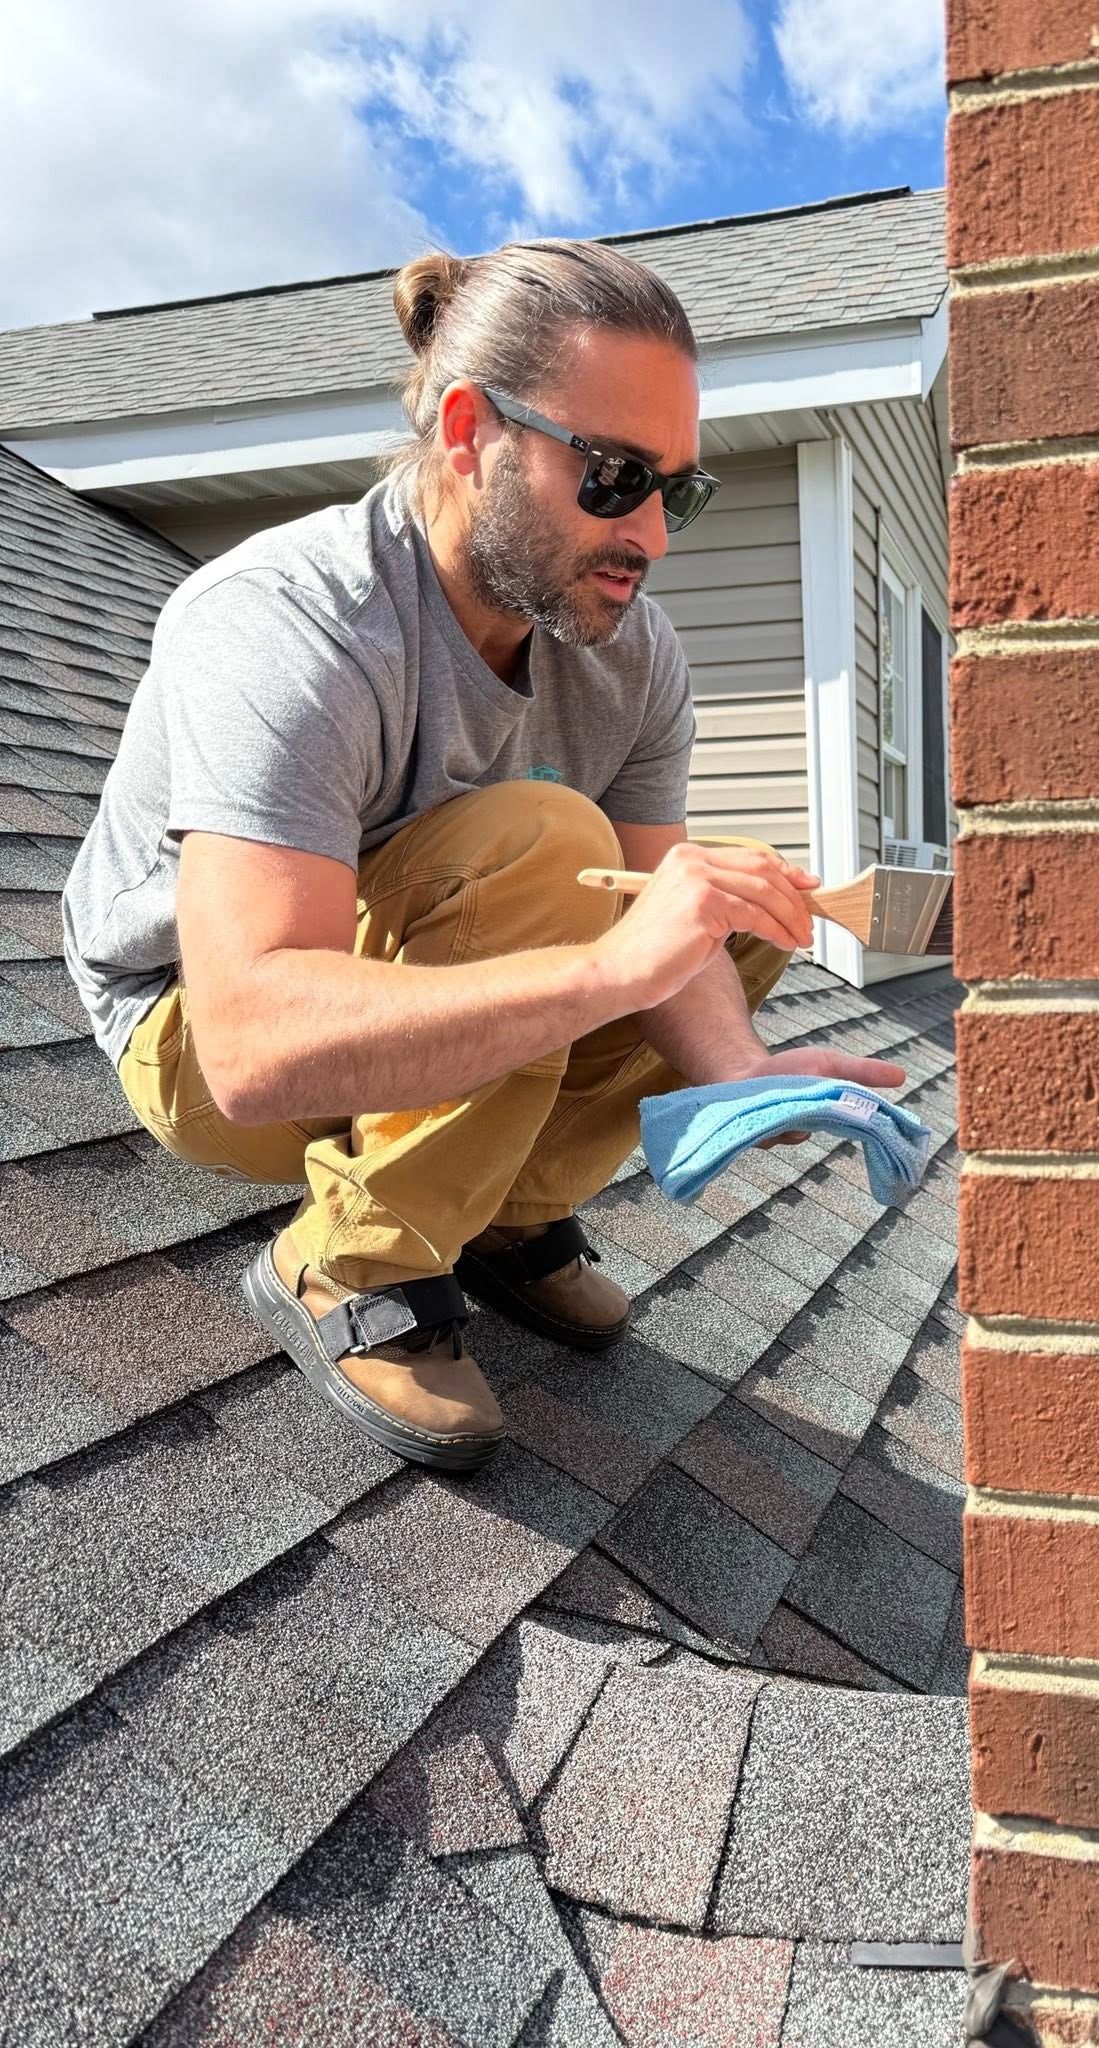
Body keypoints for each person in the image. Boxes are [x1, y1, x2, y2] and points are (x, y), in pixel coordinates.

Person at [59, 237, 904, 1473]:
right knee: (556, 847)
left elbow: (661, 910)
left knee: (716, 896)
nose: (655, 534)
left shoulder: (634, 653)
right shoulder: (288, 623)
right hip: (191, 1029)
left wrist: (744, 1074)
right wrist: (609, 974)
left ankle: (495, 1208)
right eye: (616, 476)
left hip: (409, 992)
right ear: (470, 433)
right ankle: (351, 1252)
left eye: (682, 488)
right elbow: (247, 1043)